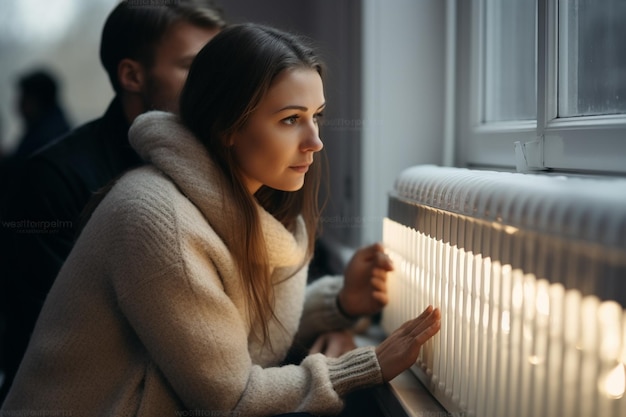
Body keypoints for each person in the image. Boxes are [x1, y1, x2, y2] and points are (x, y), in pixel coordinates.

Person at [1, 23, 441, 415]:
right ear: (228, 126)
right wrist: (367, 366)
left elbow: (224, 334)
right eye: (291, 119)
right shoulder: (157, 219)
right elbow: (231, 397)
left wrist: (340, 302)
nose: (315, 142)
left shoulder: (246, 209)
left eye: (317, 117)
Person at [0, 0, 225, 402]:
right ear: (132, 75)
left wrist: (333, 316)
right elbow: (56, 342)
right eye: (193, 67)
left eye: (218, 68)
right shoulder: (53, 176)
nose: (215, 84)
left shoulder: (217, 159)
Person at [11, 68, 71, 159]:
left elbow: (20, 168)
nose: (19, 105)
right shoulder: (54, 127)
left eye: (24, 98)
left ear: (37, 101)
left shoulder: (43, 139)